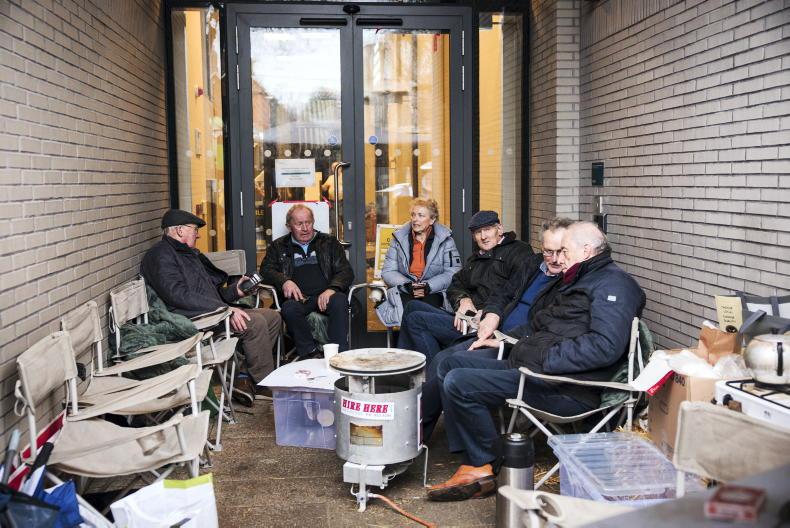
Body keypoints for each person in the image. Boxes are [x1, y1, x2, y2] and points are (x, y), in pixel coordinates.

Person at [426, 221, 646, 501]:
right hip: (534, 367)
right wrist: (505, 340)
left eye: (565, 251)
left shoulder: (614, 285)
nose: (558, 258)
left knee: (460, 382)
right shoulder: (580, 278)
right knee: (451, 363)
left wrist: (541, 358)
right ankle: (472, 454)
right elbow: (542, 324)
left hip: (563, 386)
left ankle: (482, 464)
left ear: (587, 250)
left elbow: (604, 347)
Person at [420, 217, 573, 441]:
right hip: (493, 329)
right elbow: (504, 293)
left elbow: (545, 326)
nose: (555, 259)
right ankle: (418, 428)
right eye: (549, 252)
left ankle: (417, 430)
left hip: (515, 347)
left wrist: (505, 338)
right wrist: (492, 315)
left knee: (449, 362)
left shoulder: (568, 281)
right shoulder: (533, 264)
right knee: (442, 355)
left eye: (561, 252)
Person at [140, 209, 281, 392]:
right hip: (192, 319)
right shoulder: (161, 256)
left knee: (272, 317)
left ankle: (245, 377)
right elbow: (178, 295)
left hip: (211, 311)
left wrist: (235, 291)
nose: (198, 235)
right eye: (194, 230)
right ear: (180, 230)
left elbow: (210, 293)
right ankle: (264, 385)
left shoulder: (188, 254)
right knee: (255, 323)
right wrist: (224, 310)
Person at [397, 210, 533, 364]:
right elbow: (456, 282)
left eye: (488, 229)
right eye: (478, 232)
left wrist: (489, 311)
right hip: (466, 317)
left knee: (416, 321)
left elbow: (516, 292)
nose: (483, 236)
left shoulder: (519, 252)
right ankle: (407, 367)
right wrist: (463, 299)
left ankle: (427, 372)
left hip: (485, 324)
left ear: (499, 229)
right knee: (412, 306)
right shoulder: (477, 257)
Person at [259, 204, 354, 359]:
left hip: (327, 296)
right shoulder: (278, 246)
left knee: (340, 300)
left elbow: (346, 271)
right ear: (289, 226)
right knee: (289, 308)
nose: (305, 228)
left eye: (308, 222)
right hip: (299, 299)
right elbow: (266, 270)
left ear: (313, 222)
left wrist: (332, 289)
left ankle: (339, 355)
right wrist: (284, 281)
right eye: (299, 224)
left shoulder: (329, 242)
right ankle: (310, 353)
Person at [376, 198, 462, 327]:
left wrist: (428, 286)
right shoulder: (398, 239)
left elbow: (453, 272)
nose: (415, 219)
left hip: (434, 291)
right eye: (413, 215)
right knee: (407, 311)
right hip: (405, 289)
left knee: (425, 314)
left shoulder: (446, 241)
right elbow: (388, 271)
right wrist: (408, 285)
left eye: (421, 215)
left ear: (432, 220)